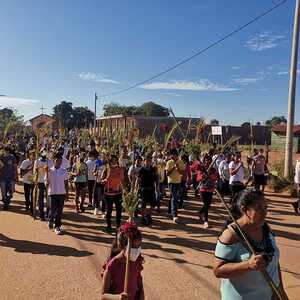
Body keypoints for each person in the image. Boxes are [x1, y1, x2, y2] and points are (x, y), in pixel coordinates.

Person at [213, 190, 287, 300]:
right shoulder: (230, 235)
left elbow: (274, 263)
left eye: (265, 208)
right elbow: (218, 270)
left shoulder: (266, 228)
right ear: (244, 209)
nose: (264, 212)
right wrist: (248, 265)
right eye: (258, 208)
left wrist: (280, 289)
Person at [101, 221, 144, 300]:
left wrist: (142, 295)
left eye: (139, 246)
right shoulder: (112, 265)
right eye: (134, 246)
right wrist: (118, 297)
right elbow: (103, 295)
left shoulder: (137, 261)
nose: (137, 250)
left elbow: (139, 279)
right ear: (122, 246)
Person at [45, 153, 69, 235]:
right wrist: (46, 183)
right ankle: (50, 220)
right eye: (57, 160)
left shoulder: (64, 171)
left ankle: (57, 226)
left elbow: (66, 183)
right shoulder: (49, 171)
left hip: (61, 193)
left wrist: (67, 193)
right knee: (52, 210)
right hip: (52, 193)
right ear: (53, 161)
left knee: (59, 211)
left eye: (60, 161)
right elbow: (46, 183)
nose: (58, 162)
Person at [102, 155, 124, 233]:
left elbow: (122, 181)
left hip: (118, 193)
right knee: (109, 210)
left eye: (115, 160)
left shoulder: (120, 169)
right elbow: (101, 180)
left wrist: (124, 190)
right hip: (108, 194)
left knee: (119, 210)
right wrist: (106, 179)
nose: (114, 162)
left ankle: (118, 227)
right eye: (112, 161)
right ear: (110, 162)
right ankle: (109, 227)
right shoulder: (106, 169)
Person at [197, 155, 218, 228]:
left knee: (208, 205)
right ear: (204, 161)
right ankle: (206, 221)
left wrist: (210, 174)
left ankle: (200, 212)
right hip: (203, 189)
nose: (207, 162)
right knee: (206, 205)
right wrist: (203, 175)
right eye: (206, 160)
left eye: (209, 160)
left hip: (210, 189)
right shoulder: (201, 168)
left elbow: (215, 178)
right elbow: (198, 179)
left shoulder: (213, 169)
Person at [165, 149, 185, 223]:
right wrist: (173, 168)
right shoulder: (169, 162)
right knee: (174, 197)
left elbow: (182, 172)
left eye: (172, 154)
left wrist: (178, 168)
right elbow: (167, 173)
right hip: (171, 182)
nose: (171, 156)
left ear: (176, 155)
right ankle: (174, 215)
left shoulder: (181, 162)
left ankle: (169, 210)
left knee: (173, 197)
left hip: (178, 182)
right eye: (170, 155)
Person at [138, 156, 158, 226]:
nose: (148, 162)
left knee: (153, 204)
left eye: (149, 161)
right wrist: (136, 188)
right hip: (143, 189)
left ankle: (149, 215)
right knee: (143, 205)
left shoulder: (153, 169)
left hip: (151, 189)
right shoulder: (141, 169)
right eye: (147, 161)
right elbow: (138, 180)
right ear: (144, 161)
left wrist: (157, 188)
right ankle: (143, 218)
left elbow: (156, 179)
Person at [0, 146, 18, 210]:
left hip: (11, 177)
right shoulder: (1, 157)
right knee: (3, 192)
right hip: (2, 178)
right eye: (5, 150)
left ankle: (7, 200)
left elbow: (15, 166)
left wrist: (16, 175)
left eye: (7, 150)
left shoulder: (12, 157)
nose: (6, 151)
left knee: (12, 191)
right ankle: (5, 204)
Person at [33, 148, 49, 220]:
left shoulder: (49, 161)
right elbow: (34, 172)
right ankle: (41, 214)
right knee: (40, 199)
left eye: (46, 151)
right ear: (41, 152)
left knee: (48, 199)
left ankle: (48, 213)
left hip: (47, 182)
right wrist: (36, 171)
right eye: (43, 151)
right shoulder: (37, 161)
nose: (45, 152)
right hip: (40, 182)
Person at [94, 152, 108, 217]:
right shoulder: (97, 162)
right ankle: (96, 209)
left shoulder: (108, 165)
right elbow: (93, 172)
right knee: (98, 196)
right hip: (98, 182)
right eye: (103, 156)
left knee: (104, 197)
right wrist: (95, 173)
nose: (104, 157)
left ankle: (103, 211)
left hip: (105, 183)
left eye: (105, 156)